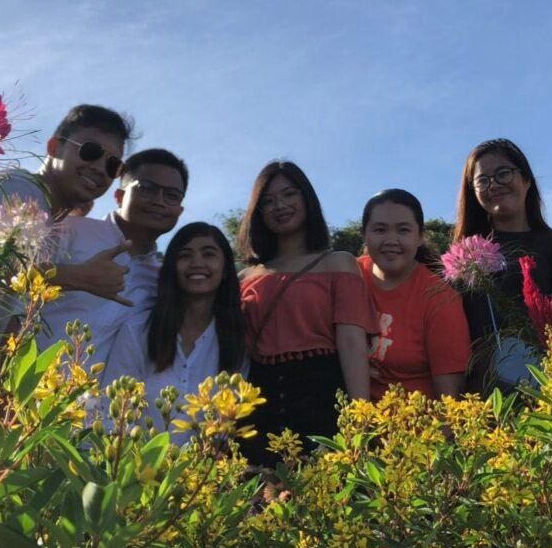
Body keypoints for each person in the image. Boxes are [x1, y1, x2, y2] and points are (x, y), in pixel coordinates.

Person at [238, 160, 377, 466]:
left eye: (289, 194)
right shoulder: (244, 278)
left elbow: (352, 344)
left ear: (307, 198)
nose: (280, 206)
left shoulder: (338, 263)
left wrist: (360, 421)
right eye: (268, 201)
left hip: (322, 395)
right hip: (259, 400)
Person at [455, 138, 552, 391]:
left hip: (548, 392)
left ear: (526, 179)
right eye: (482, 180)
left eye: (503, 174)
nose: (494, 184)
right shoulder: (463, 254)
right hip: (480, 400)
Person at [37, 148, 187, 365]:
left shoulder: (161, 280)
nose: (159, 201)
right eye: (147, 189)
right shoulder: (69, 230)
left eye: (171, 195)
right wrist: (75, 276)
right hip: (15, 378)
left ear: (180, 210)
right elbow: (6, 278)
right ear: (119, 196)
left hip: (95, 387)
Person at [104, 223, 246, 442]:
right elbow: (112, 411)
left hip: (208, 463)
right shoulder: (139, 329)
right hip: (134, 461)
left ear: (226, 269)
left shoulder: (238, 339)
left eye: (209, 254)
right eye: (185, 255)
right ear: (172, 267)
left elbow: (231, 422)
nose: (197, 263)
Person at [0, 103, 136, 304]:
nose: (101, 168)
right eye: (90, 151)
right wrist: (81, 276)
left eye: (113, 165)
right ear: (54, 147)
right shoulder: (18, 188)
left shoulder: (47, 214)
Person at [359, 188, 470, 400]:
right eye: (380, 230)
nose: (391, 240)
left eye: (403, 230)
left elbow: (450, 400)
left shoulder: (440, 297)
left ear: (420, 237)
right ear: (364, 235)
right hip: (349, 418)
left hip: (417, 419)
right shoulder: (348, 277)